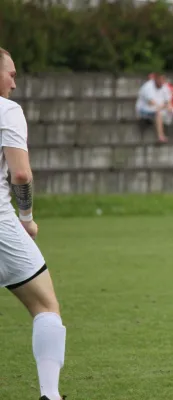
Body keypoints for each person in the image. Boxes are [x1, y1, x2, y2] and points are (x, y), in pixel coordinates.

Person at [0, 47, 67, 400]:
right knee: (45, 305)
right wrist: (27, 219)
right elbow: (21, 173)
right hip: (1, 227)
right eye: (10, 73)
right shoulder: (7, 110)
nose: (14, 81)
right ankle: (50, 395)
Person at [135, 73, 173, 143]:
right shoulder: (148, 86)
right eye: (160, 79)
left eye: (163, 79)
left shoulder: (164, 86)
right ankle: (161, 136)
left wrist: (170, 107)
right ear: (155, 79)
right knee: (158, 113)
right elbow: (151, 103)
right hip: (144, 109)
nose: (162, 81)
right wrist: (165, 106)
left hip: (161, 108)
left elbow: (168, 101)